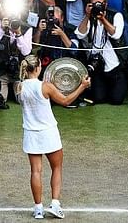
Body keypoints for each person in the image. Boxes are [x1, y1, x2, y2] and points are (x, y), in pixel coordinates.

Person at [16, 54, 90, 219]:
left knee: (36, 171)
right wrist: (82, 86)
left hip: (31, 133)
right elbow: (65, 101)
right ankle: (55, 204)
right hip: (48, 132)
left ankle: (38, 209)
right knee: (57, 168)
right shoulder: (46, 86)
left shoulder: (18, 87)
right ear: (38, 68)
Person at [75, 0, 127, 104]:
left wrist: (103, 19)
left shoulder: (116, 15)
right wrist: (87, 16)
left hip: (115, 66)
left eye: (100, 4)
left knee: (116, 100)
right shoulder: (90, 17)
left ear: (106, 5)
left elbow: (116, 34)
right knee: (98, 99)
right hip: (97, 66)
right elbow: (79, 34)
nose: (97, 7)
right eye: (94, 4)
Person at [0, 15, 33, 102]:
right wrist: (2, 30)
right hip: (0, 71)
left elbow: (26, 52)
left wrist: (19, 34)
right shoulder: (0, 23)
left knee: (23, 100)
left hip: (19, 73)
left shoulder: (26, 28)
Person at [33, 6, 79, 71]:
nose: (52, 22)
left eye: (55, 19)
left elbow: (74, 51)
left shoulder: (70, 29)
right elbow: (35, 45)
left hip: (65, 66)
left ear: (62, 18)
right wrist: (39, 30)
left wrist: (62, 34)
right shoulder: (45, 29)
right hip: (47, 66)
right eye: (50, 19)